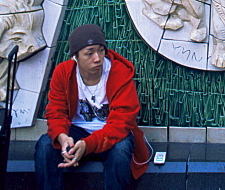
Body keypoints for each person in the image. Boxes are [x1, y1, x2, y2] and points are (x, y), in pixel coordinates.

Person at [35, 24, 150, 190]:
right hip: (77, 130)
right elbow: (56, 111)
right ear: (76, 56)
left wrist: (87, 145)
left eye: (101, 50)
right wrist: (62, 137)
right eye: (89, 53)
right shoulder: (63, 72)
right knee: (45, 145)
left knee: (121, 149)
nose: (97, 58)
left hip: (111, 133)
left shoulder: (120, 73)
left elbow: (122, 121)